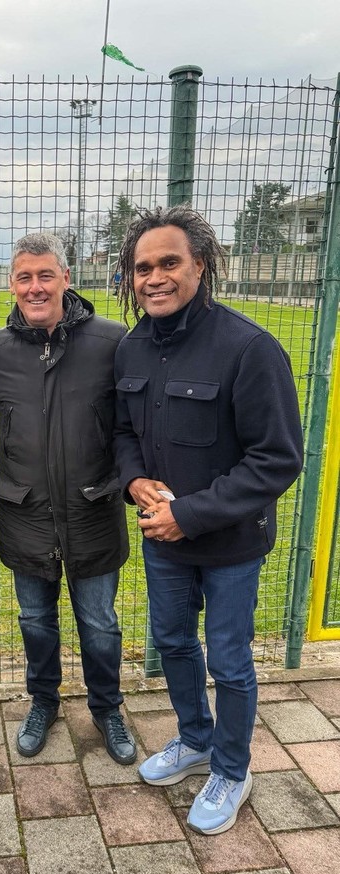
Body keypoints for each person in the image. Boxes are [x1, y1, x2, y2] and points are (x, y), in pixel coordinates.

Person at [112, 205, 303, 835]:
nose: (154, 277)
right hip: (162, 541)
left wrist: (187, 515)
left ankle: (232, 767)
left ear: (201, 265)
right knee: (171, 644)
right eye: (143, 267)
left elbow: (276, 459)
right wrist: (135, 480)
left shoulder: (249, 347)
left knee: (229, 659)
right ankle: (194, 740)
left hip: (229, 546)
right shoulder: (133, 344)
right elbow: (123, 432)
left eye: (169, 263)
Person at [0, 232, 136, 764]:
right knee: (34, 620)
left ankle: (107, 707)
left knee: (100, 622)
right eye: (24, 277)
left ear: (66, 279)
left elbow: (136, 426)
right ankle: (43, 702)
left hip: (94, 510)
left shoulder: (113, 342)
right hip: (25, 513)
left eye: (46, 275)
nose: (35, 286)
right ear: (12, 283)